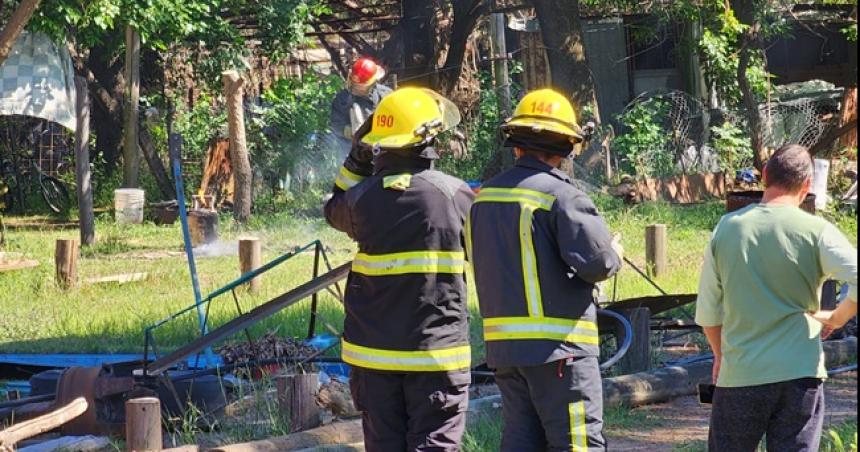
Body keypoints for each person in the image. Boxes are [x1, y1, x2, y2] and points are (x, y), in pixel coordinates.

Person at [468, 89, 622, 451]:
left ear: (515, 143)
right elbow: (598, 263)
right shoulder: (563, 197)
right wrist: (614, 252)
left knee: (521, 442)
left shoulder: (483, 197)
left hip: (505, 351)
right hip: (560, 351)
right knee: (577, 443)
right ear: (568, 147)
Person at [324, 87, 475, 451]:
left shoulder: (359, 199)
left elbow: (333, 208)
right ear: (428, 141)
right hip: (434, 355)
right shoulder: (453, 195)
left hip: (372, 357)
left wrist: (356, 162)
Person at [695, 144, 857, 452]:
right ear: (807, 186)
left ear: (765, 175)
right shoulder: (817, 230)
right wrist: (838, 317)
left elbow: (708, 311)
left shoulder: (727, 228)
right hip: (800, 371)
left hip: (741, 372)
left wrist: (720, 355)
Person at [329, 57, 393, 160]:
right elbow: (335, 123)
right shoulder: (342, 99)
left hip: (383, 149)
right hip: (352, 153)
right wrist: (348, 131)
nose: (357, 88)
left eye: (360, 86)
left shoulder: (386, 95)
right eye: (356, 85)